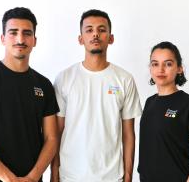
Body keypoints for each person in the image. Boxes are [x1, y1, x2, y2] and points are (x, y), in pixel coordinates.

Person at [0, 7, 59, 182]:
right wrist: (10, 179)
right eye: (13, 33)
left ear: (35, 40)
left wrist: (32, 177)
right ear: (3, 38)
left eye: (27, 33)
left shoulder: (44, 85)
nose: (20, 39)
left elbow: (51, 139)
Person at [50, 9, 142, 182]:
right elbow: (57, 131)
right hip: (70, 176)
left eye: (101, 30)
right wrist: (54, 174)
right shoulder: (64, 78)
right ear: (80, 38)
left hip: (112, 177)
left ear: (111, 37)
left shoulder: (124, 79)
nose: (95, 35)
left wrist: (128, 177)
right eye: (89, 30)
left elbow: (128, 134)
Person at [137, 41, 189, 182]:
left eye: (168, 64)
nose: (160, 69)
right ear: (150, 68)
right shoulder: (149, 102)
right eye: (155, 64)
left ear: (179, 68)